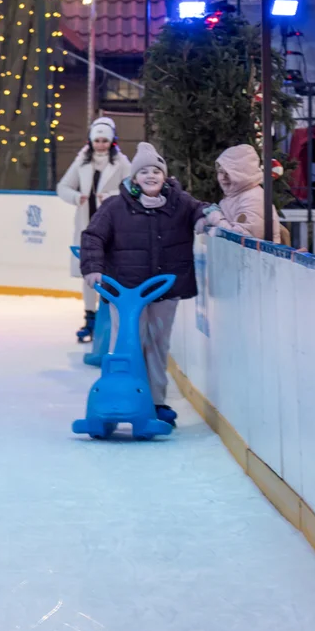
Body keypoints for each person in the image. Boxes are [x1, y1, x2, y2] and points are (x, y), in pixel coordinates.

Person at [80, 142, 225, 428]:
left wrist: (210, 217)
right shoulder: (115, 206)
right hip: (124, 292)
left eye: (156, 171)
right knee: (125, 345)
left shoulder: (178, 201)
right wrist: (93, 269)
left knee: (157, 346)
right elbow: (92, 236)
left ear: (164, 176)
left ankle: (155, 402)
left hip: (163, 291)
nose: (150, 176)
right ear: (134, 178)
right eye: (143, 172)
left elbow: (200, 210)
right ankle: (116, 397)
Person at [57, 117, 132, 342]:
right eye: (97, 140)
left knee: (111, 274)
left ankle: (110, 320)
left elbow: (131, 189)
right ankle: (89, 320)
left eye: (104, 140)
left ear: (111, 141)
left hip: (113, 227)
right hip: (88, 227)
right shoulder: (82, 161)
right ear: (91, 140)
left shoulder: (122, 162)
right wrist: (75, 197)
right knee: (89, 274)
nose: (100, 144)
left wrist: (110, 197)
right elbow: (63, 186)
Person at [213, 143, 292, 245]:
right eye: (220, 172)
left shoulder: (253, 199)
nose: (223, 178)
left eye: (228, 173)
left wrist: (215, 218)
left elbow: (239, 240)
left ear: (243, 173)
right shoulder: (234, 196)